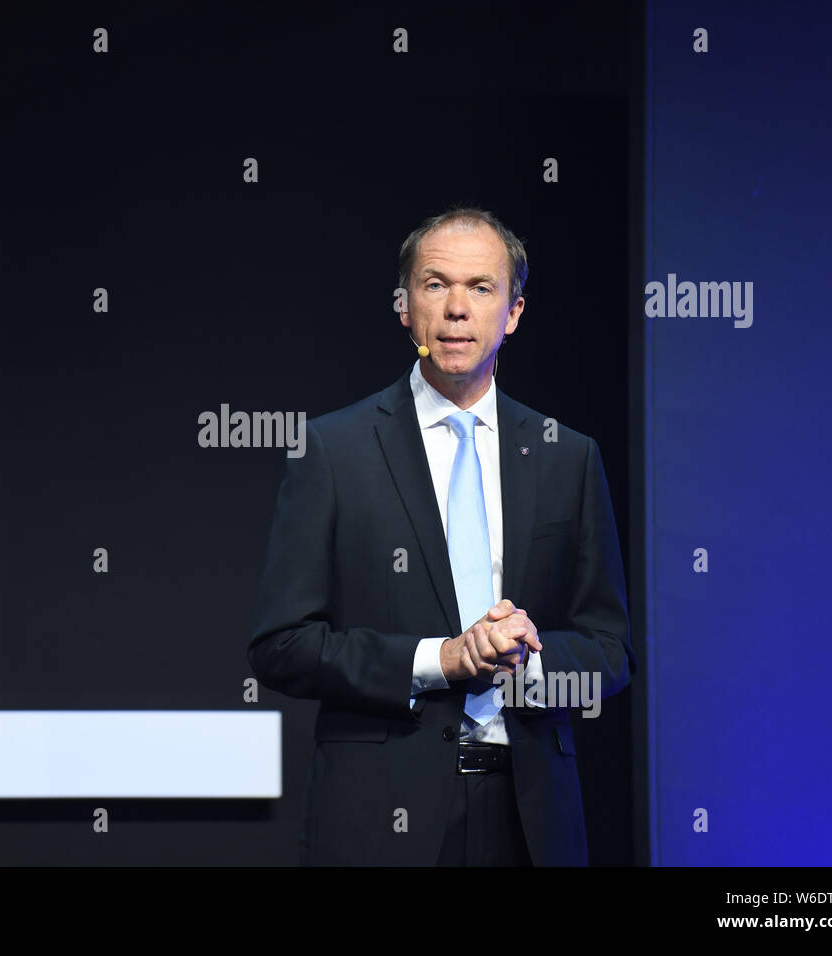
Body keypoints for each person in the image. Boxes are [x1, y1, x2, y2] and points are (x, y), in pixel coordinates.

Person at [247, 205, 633, 866]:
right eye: (435, 285)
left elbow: (611, 651)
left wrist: (525, 661)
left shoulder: (567, 456)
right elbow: (282, 647)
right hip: (378, 819)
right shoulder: (331, 450)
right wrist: (441, 659)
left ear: (512, 313)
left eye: (481, 287)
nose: (457, 308)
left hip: (532, 820)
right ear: (405, 307)